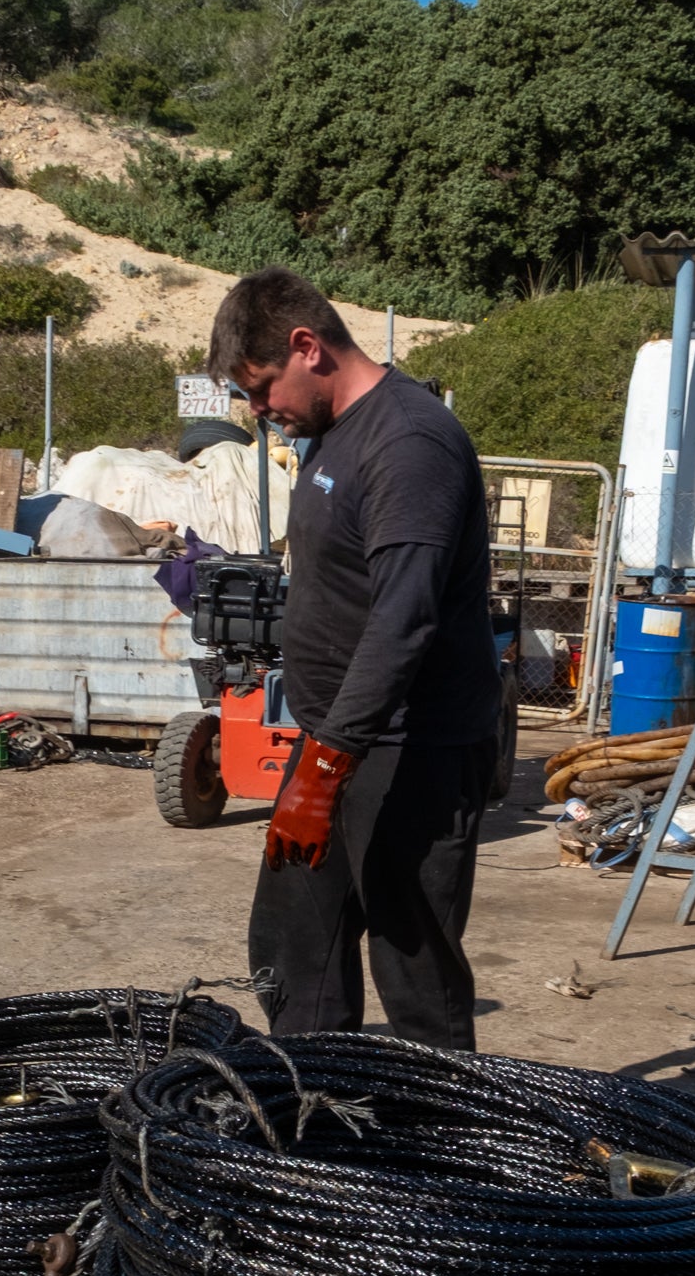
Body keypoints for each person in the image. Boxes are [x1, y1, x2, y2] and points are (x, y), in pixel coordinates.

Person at [205, 266, 497, 1048]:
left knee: (414, 964)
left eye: (263, 387)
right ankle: (315, 1108)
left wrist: (325, 768)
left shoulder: (408, 440)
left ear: (307, 347)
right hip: (338, 739)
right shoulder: (332, 435)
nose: (261, 411)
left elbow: (404, 617)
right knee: (293, 944)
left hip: (413, 748)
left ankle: (436, 1140)